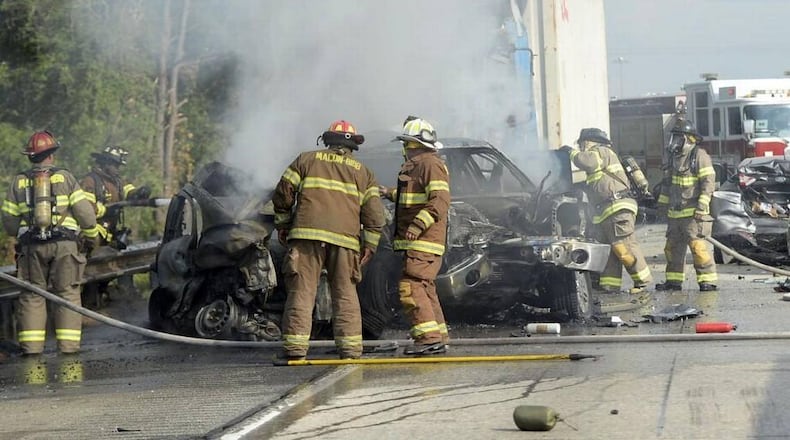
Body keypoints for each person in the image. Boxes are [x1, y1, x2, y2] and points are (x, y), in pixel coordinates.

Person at [273, 120, 385, 360]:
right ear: (353, 145)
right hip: (346, 241)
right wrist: (370, 244)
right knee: (345, 294)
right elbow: (375, 215)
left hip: (307, 236)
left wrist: (283, 224)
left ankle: (294, 350)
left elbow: (283, 193)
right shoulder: (364, 173)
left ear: (327, 140)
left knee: (302, 292)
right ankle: (351, 350)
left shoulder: (306, 159)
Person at [1, 131, 99, 355]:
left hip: (31, 248)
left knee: (32, 295)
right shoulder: (65, 178)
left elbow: (9, 222)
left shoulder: (19, 181)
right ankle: (68, 348)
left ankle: (32, 349)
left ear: (30, 157)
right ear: (52, 155)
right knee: (67, 293)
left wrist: (22, 231)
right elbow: (86, 215)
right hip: (65, 246)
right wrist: (92, 236)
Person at [379, 118, 451, 355]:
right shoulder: (420, 166)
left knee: (410, 286)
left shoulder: (430, 165)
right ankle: (438, 337)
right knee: (424, 286)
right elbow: (413, 196)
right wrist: (389, 193)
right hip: (421, 242)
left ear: (413, 145)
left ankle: (428, 339)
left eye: (406, 145)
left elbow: (440, 200)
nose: (405, 150)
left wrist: (418, 225)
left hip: (424, 241)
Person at [561, 128, 652, 294]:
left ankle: (643, 282)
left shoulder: (600, 151)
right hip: (607, 210)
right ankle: (610, 285)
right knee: (609, 250)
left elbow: (587, 162)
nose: (581, 148)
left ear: (587, 142)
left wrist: (571, 152)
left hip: (617, 208)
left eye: (581, 144)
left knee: (624, 245)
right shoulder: (603, 156)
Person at [655, 118, 718, 291]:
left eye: (678, 138)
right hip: (675, 216)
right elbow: (667, 185)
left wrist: (701, 207)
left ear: (689, 139)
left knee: (699, 248)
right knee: (672, 249)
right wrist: (662, 206)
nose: (674, 142)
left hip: (693, 216)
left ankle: (707, 281)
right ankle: (673, 281)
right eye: (673, 137)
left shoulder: (699, 156)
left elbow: (708, 183)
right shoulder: (673, 158)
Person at [80, 146, 151, 250]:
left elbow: (128, 191)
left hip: (110, 233)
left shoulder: (117, 181)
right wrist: (106, 210)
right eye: (116, 166)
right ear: (106, 163)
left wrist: (139, 193)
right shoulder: (90, 181)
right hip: (93, 233)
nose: (118, 169)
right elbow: (86, 209)